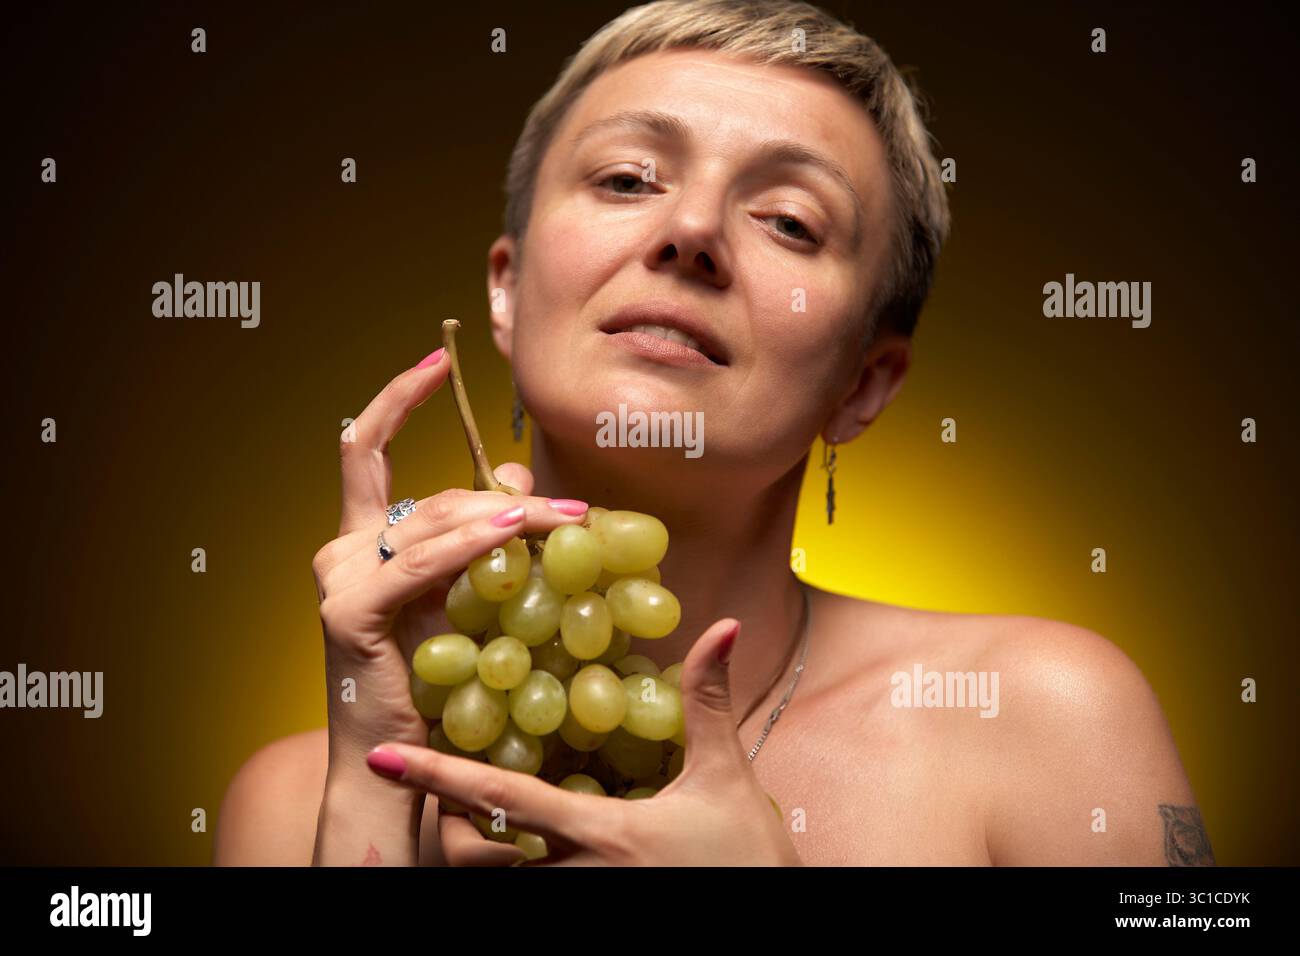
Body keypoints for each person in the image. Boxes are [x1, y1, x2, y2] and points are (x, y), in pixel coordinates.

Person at [214, 0, 1213, 866]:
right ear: (507, 293)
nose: (691, 228)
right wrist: (369, 800)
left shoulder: (1041, 718)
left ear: (864, 383)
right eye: (624, 180)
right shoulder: (294, 797)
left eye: (788, 218)